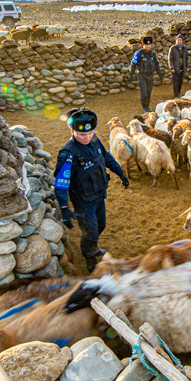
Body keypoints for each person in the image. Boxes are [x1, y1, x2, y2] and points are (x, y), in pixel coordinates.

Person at [54, 107, 129, 271]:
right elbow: (60, 183)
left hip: (98, 194)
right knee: (91, 229)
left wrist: (120, 173)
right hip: (83, 200)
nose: (87, 137)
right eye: (82, 135)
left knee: (100, 224)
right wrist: (65, 208)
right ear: (73, 131)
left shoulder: (94, 139)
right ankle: (89, 255)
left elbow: (106, 156)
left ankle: (90, 243)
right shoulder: (68, 153)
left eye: (90, 133)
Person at [130, 36, 163, 113]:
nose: (148, 46)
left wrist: (160, 74)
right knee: (144, 92)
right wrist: (131, 74)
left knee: (149, 92)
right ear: (143, 44)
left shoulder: (152, 53)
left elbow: (156, 64)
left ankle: (147, 105)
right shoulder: (139, 53)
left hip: (150, 75)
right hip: (142, 75)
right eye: (146, 45)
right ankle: (144, 106)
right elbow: (133, 64)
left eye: (149, 45)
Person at [168, 34, 189, 98]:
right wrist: (171, 67)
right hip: (175, 69)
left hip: (182, 68)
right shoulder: (173, 48)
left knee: (180, 83)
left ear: (182, 41)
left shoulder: (184, 49)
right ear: (176, 41)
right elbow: (170, 59)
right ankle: (176, 95)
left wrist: (187, 66)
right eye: (178, 40)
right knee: (175, 83)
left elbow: (186, 58)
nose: (179, 41)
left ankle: (178, 93)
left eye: (180, 40)